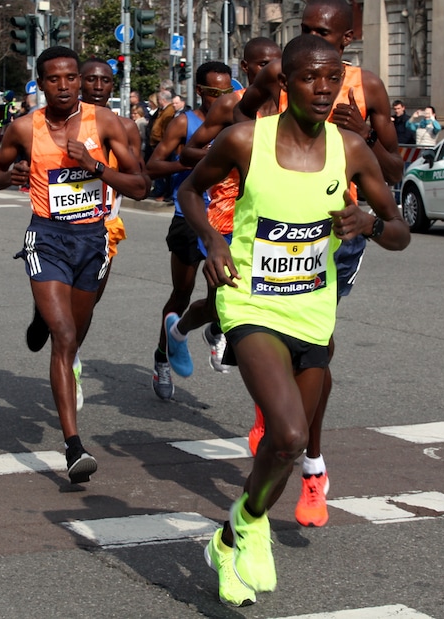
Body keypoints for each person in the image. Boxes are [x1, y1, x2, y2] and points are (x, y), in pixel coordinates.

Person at [179, 34, 409, 608]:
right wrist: (212, 239)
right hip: (251, 302)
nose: (324, 89)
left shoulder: (350, 149)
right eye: (311, 78)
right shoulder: (244, 140)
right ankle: (250, 524)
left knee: (286, 450)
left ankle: (231, 535)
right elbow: (188, 190)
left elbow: (400, 233)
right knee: (286, 434)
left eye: (333, 78)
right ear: (285, 83)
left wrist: (370, 224)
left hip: (313, 309)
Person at [235, 0, 405, 529]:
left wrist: (366, 135)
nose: (312, 38)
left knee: (317, 351)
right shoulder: (277, 72)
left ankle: (310, 458)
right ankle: (282, 422)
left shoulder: (366, 87)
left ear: (347, 38)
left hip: (339, 229)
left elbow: (395, 170)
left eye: (323, 33)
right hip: (272, 219)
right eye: (305, 30)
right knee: (274, 340)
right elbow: (237, 121)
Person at [0, 46, 147, 484]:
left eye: (71, 78)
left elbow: (141, 185)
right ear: (40, 84)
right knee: (65, 336)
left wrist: (95, 165)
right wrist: (10, 177)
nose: (64, 86)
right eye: (54, 79)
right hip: (47, 237)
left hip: (93, 239)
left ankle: (44, 311)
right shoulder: (24, 128)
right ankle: (74, 446)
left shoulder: (106, 123)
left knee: (74, 334)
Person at [23, 57, 147, 404]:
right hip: (57, 227)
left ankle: (69, 350)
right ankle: (65, 353)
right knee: (61, 310)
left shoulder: (122, 126)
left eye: (104, 81)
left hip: (104, 224)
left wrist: (96, 166)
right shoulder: (47, 124)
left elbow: (140, 179)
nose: (97, 86)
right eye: (90, 79)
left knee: (87, 304)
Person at [175, 37, 283, 375]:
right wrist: (220, 154)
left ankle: (228, 336)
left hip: (270, 214)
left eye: (277, 62)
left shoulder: (293, 105)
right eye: (263, 64)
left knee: (264, 301)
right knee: (219, 301)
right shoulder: (228, 105)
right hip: (225, 215)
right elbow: (187, 153)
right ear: (246, 68)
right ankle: (178, 331)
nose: (272, 70)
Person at [146, 62, 234, 400]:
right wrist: (192, 161)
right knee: (181, 293)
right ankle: (162, 357)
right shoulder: (186, 122)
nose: (222, 98)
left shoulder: (237, 123)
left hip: (224, 220)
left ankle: (215, 330)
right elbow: (153, 166)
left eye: (227, 92)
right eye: (214, 92)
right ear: (200, 91)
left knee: (222, 295)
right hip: (188, 216)